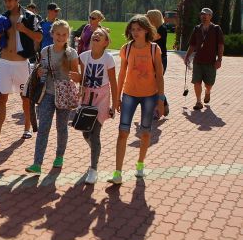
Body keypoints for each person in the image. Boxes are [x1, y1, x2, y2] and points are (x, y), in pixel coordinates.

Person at [0, 0, 42, 149]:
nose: (7, 3)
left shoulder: (30, 17)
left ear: (17, 0)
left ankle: (27, 128)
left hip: (22, 63)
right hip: (5, 63)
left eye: (10, 0)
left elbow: (39, 36)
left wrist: (24, 29)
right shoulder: (1, 18)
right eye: (5, 0)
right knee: (1, 98)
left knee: (25, 98)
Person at [108, 15, 165, 185]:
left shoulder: (154, 49)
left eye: (139, 29)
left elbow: (160, 76)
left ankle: (140, 164)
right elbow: (122, 73)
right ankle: (118, 172)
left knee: (145, 132)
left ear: (147, 30)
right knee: (123, 131)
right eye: (132, 29)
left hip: (149, 95)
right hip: (129, 95)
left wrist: (160, 100)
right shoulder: (126, 48)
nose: (135, 33)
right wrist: (116, 98)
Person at [25, 20, 80, 174]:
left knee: (61, 128)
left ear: (68, 36)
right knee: (43, 128)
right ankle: (37, 164)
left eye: (64, 35)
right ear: (52, 34)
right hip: (47, 94)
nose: (61, 37)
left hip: (64, 96)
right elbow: (39, 69)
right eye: (58, 34)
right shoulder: (45, 51)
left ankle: (59, 156)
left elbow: (77, 77)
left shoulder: (71, 53)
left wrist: (75, 76)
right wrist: (39, 72)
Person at [71, 27, 118, 184]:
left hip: (102, 98)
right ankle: (95, 150)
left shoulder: (108, 58)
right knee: (86, 133)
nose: (96, 35)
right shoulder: (84, 57)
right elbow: (83, 79)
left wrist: (115, 103)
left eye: (100, 35)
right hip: (86, 98)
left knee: (95, 132)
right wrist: (78, 83)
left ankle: (93, 169)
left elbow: (113, 82)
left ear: (105, 42)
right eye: (94, 34)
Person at [183, 8, 224, 110]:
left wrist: (219, 59)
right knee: (197, 81)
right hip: (198, 61)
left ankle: (207, 92)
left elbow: (220, 45)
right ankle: (198, 101)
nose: (204, 16)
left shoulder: (216, 29)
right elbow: (192, 45)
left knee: (209, 83)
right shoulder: (197, 29)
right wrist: (187, 56)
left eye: (206, 14)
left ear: (211, 16)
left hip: (211, 62)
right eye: (202, 14)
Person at [146, 9, 169, 117]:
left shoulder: (162, 28)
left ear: (154, 17)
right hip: (151, 58)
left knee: (155, 84)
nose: (146, 18)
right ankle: (164, 105)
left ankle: (157, 110)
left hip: (161, 59)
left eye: (148, 16)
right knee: (153, 84)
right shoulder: (151, 28)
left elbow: (153, 38)